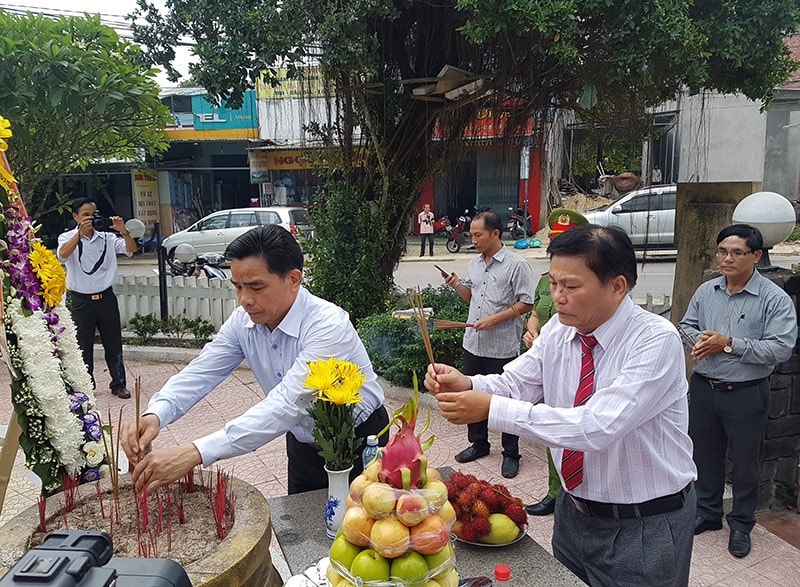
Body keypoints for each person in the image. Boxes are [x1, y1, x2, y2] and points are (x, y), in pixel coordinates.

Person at [426, 224, 696, 586]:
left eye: (570, 286)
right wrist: (469, 383)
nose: (557, 296)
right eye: (553, 284)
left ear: (617, 287)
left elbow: (596, 426)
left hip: (643, 525)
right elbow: (515, 383)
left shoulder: (654, 342)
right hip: (573, 513)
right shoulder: (558, 330)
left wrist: (491, 408)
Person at [120, 225, 389, 495]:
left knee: (365, 531)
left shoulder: (328, 326)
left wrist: (194, 453)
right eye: (237, 286)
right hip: (304, 445)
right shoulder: (243, 323)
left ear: (293, 279)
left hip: (361, 444)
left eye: (256, 287)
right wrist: (156, 414)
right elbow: (202, 372)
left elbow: (288, 404)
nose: (245, 299)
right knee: (300, 529)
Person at [680, 224, 796, 559]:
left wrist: (729, 344)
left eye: (737, 253)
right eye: (722, 252)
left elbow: (780, 349)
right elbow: (687, 324)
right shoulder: (706, 291)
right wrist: (698, 340)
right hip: (704, 388)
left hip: (746, 392)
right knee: (704, 456)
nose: (727, 259)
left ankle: (742, 524)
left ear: (756, 256)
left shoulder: (774, 299)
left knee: (745, 464)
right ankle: (708, 512)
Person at [441, 210, 534, 479]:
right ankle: (479, 443)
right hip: (474, 343)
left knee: (507, 400)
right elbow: (471, 297)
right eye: (472, 235)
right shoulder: (475, 264)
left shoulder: (517, 265)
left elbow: (526, 302)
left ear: (495, 234)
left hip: (502, 346)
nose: (474, 239)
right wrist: (457, 284)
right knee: (472, 394)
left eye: (478, 234)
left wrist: (496, 319)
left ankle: (511, 453)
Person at [523, 208, 588, 516]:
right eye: (556, 246)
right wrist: (532, 329)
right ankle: (556, 491)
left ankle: (579, 495)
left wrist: (490, 406)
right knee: (552, 432)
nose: (560, 293)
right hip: (550, 368)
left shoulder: (592, 286)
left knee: (576, 431)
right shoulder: (546, 281)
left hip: (581, 373)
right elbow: (537, 312)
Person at [57, 198, 137, 399]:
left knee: (113, 343)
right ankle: (86, 385)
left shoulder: (107, 238)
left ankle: (118, 384)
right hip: (81, 300)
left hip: (106, 299)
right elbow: (62, 256)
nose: (90, 218)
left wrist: (123, 231)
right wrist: (79, 234)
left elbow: (131, 250)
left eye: (93, 214)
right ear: (75, 217)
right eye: (85, 215)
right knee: (83, 345)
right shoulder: (66, 237)